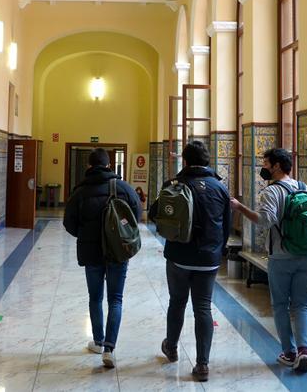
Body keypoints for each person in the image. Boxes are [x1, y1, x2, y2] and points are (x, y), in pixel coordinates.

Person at [231, 147, 307, 373]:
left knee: (280, 306)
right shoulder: (306, 188)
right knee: (302, 305)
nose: (263, 168)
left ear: (276, 166)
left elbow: (264, 221)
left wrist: (239, 207)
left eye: (266, 163)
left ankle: (289, 353)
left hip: (281, 257)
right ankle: (304, 351)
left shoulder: (271, 192)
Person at [150, 140, 231, 382]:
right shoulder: (220, 187)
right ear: (207, 161)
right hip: (209, 259)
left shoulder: (174, 184)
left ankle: (172, 347)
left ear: (184, 161)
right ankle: (202, 364)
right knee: (203, 307)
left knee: (177, 302)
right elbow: (226, 226)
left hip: (178, 256)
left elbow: (155, 214)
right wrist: (217, 251)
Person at [62, 148, 141, 369]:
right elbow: (137, 213)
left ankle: (97, 341)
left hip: (91, 253)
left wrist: (86, 235)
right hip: (117, 252)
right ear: (109, 166)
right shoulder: (123, 187)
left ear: (89, 166)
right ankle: (109, 348)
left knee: (95, 297)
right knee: (115, 299)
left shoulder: (80, 191)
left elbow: (69, 223)